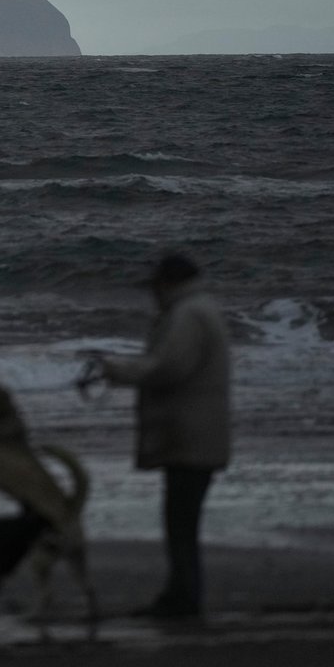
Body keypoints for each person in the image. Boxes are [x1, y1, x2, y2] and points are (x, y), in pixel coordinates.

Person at [98, 252, 231, 620]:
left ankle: (183, 599)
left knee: (180, 523)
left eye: (155, 287)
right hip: (197, 434)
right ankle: (181, 595)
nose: (152, 295)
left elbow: (169, 368)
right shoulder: (200, 309)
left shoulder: (188, 314)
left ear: (167, 283)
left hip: (190, 436)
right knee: (182, 521)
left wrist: (117, 370)